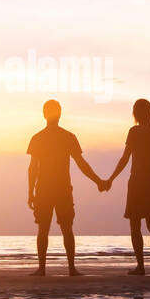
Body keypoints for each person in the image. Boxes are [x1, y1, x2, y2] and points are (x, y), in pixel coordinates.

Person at [26, 99, 104, 276]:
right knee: (66, 228)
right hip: (60, 189)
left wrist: (30, 192)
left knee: (43, 229)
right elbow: (81, 164)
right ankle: (70, 268)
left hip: (46, 189)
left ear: (45, 114)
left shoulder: (39, 138)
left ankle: (43, 268)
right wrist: (98, 181)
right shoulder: (67, 137)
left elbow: (32, 168)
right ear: (59, 114)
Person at [104, 98, 150, 275]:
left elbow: (125, 158)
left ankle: (141, 266)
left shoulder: (134, 132)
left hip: (138, 183)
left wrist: (111, 178)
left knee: (135, 226)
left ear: (136, 113)